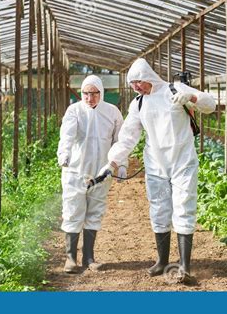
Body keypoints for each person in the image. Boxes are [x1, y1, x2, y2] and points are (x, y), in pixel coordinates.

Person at [99, 58, 216, 283]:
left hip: (182, 161)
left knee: (183, 208)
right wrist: (112, 162)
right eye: (132, 84)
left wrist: (191, 97)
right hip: (155, 165)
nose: (136, 87)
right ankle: (162, 261)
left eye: (139, 82)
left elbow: (209, 104)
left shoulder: (175, 89)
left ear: (149, 77)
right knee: (159, 211)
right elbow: (127, 137)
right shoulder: (138, 104)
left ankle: (184, 266)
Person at [57, 75, 127, 273]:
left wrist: (121, 165)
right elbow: (67, 135)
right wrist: (64, 153)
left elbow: (120, 141)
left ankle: (89, 257)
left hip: (101, 172)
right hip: (76, 171)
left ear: (101, 93)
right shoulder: (75, 111)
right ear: (82, 94)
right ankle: (70, 258)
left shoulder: (112, 112)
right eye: (86, 94)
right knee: (72, 211)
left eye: (94, 93)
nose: (90, 98)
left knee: (95, 212)